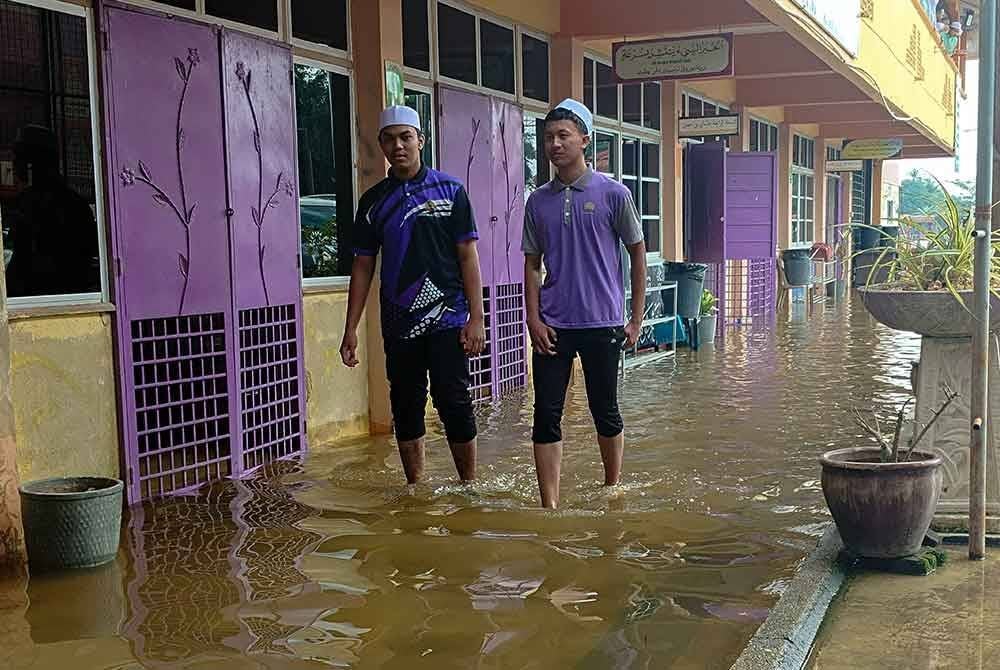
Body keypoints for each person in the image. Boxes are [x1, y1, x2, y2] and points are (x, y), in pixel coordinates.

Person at [340, 106, 485, 485]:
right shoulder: (373, 203)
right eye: (390, 138)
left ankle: (468, 484)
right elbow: (363, 266)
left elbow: (468, 256)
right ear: (381, 146)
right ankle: (415, 488)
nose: (398, 145)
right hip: (399, 320)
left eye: (406, 137)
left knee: (453, 399)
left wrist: (476, 317)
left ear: (421, 140)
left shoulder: (450, 191)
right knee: (405, 403)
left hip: (449, 317)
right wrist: (350, 328)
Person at [522, 99, 648, 509]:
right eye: (548, 138)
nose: (554, 144)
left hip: (602, 323)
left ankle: (612, 489)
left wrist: (635, 317)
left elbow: (637, 252)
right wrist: (533, 318)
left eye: (563, 136)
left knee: (604, 409)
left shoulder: (613, 193)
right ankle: (550, 507)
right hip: (554, 325)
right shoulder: (537, 201)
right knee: (546, 414)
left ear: (584, 141)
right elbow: (531, 264)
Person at [2, 125, 99, 297]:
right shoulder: (77, 204)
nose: (14, 167)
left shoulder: (29, 206)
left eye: (18, 160)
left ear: (31, 163)